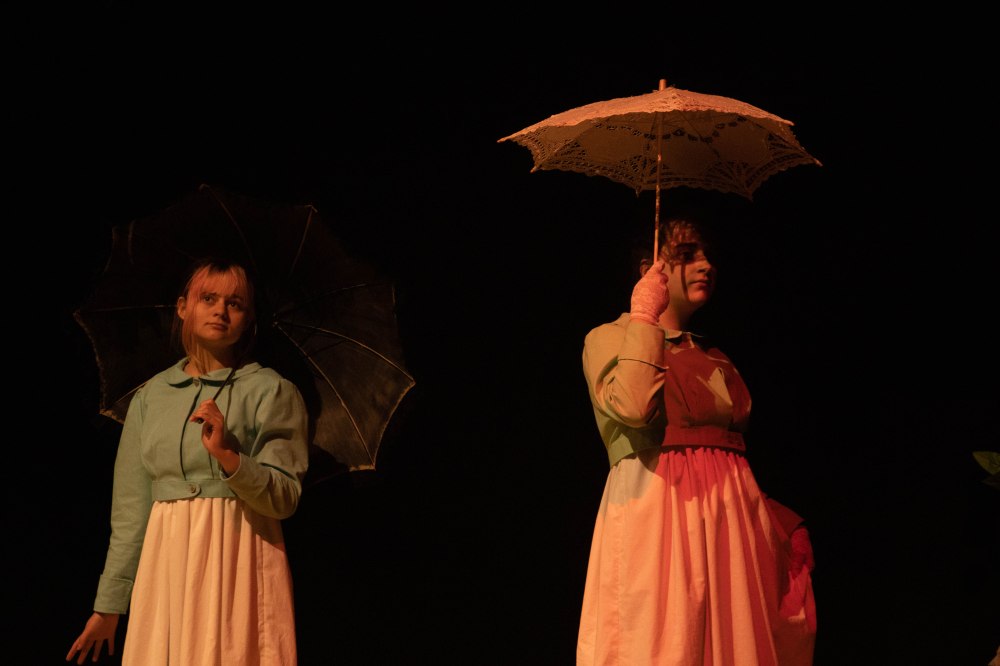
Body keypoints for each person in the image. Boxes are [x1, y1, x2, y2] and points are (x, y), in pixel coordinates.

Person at [577, 214, 817, 665]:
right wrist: (644, 316)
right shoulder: (610, 338)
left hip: (728, 522)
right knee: (664, 643)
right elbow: (633, 406)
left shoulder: (715, 356)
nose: (706, 265)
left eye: (708, 256)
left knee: (732, 644)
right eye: (687, 255)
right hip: (660, 512)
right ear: (650, 268)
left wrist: (777, 519)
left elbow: (727, 456)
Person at [67, 258, 310, 665]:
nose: (220, 311)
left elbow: (284, 497)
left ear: (248, 319)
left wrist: (229, 457)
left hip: (236, 554)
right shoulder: (151, 397)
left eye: (235, 303)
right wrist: (109, 606)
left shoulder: (271, 391)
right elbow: (131, 510)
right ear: (183, 307)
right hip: (165, 562)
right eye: (208, 298)